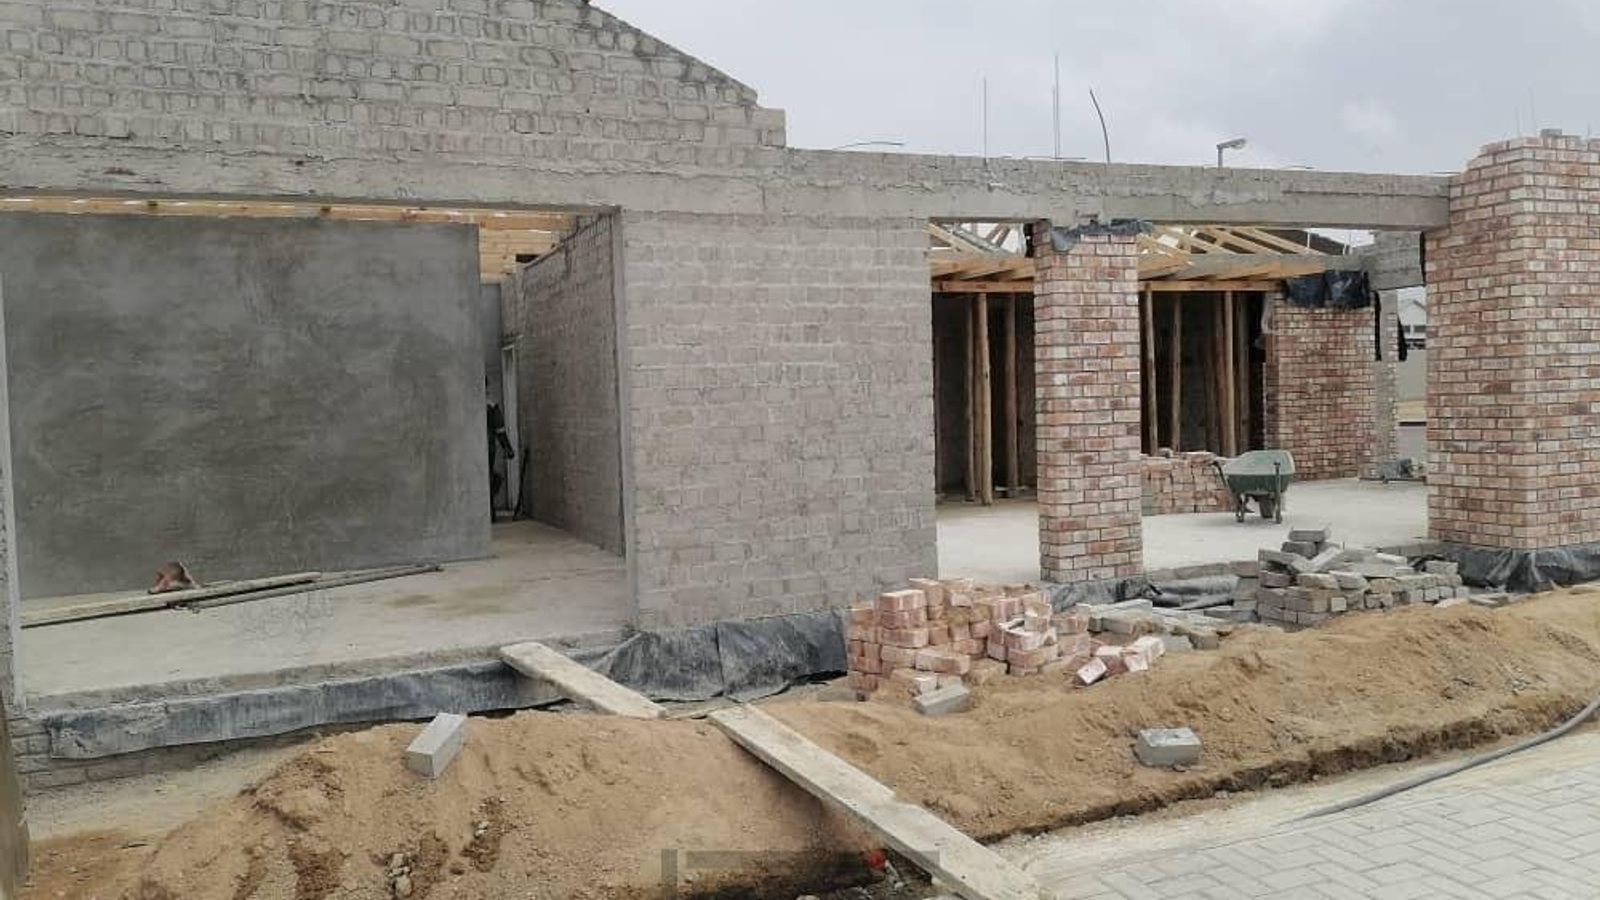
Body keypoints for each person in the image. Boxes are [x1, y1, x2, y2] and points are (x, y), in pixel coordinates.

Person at [487, 401, 514, 512]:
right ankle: (489, 508)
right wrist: (507, 448)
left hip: (482, 447)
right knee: (489, 477)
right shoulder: (491, 406)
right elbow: (500, 430)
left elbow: (500, 429)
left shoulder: (490, 406)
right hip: (488, 447)